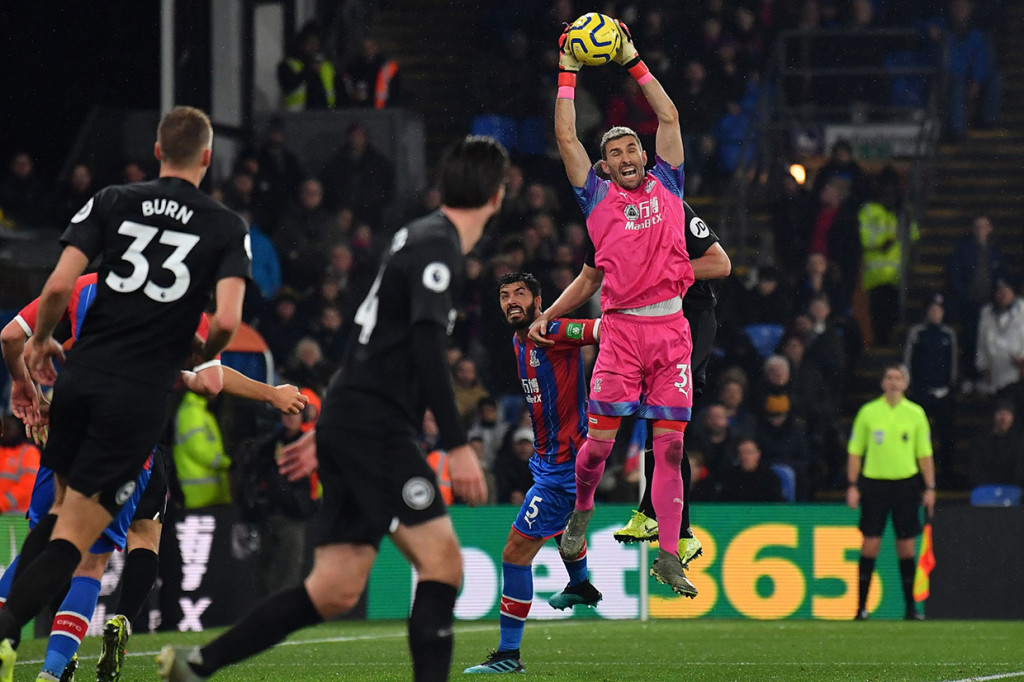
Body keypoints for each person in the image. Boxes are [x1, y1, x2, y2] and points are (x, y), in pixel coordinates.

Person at [156, 135, 507, 682]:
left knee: (335, 588)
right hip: (376, 426)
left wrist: (333, 430)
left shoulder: (418, 235)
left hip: (356, 419)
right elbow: (424, 346)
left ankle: (200, 665)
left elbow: (367, 344)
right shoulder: (438, 246)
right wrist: (459, 446)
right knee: (443, 565)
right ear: (498, 195)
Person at [0, 106, 251, 679]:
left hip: (80, 383)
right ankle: (28, 652)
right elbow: (228, 323)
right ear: (208, 159)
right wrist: (195, 356)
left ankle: (12, 635)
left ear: (158, 152)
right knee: (85, 548)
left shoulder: (113, 199)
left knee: (58, 521)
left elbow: (60, 282)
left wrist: (38, 346)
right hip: (135, 396)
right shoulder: (224, 225)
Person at [528, 19, 697, 596]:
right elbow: (567, 138)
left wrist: (633, 61)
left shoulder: (669, 184)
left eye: (633, 146)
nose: (627, 153)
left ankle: (670, 554)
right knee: (597, 449)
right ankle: (580, 512)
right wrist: (569, 73)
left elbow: (670, 117)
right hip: (622, 336)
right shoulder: (596, 196)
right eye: (616, 149)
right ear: (603, 166)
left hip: (673, 331)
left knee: (670, 449)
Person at [465, 272, 603, 674]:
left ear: (539, 300)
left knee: (514, 553)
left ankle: (509, 655)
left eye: (520, 294)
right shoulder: (517, 340)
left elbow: (602, 330)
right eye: (504, 295)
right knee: (562, 531)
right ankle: (580, 584)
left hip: (563, 467)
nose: (511, 301)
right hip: (546, 462)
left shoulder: (555, 330)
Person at [612, 201, 731, 569]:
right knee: (658, 423)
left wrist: (664, 272)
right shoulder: (613, 214)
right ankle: (664, 520)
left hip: (690, 322)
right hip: (654, 327)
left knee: (667, 423)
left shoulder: (673, 208)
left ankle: (677, 528)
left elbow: (720, 263)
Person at [846, 363, 935, 621]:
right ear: (882, 383)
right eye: (889, 377)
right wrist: (853, 485)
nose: (894, 382)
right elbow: (855, 452)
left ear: (906, 384)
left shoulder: (916, 414)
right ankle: (860, 607)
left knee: (906, 548)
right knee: (870, 544)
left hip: (906, 485)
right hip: (874, 485)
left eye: (898, 378)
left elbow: (924, 455)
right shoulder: (869, 412)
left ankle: (911, 608)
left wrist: (929, 487)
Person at [904, 294, 958, 488]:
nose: (935, 312)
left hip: (943, 393)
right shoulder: (917, 332)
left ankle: (946, 474)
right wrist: (909, 384)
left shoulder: (948, 334)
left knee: (946, 437)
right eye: (932, 309)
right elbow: (907, 360)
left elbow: (953, 363)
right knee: (919, 437)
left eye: (939, 309)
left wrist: (951, 386)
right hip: (921, 393)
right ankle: (917, 476)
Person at [277, 21, 336, 111]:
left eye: (316, 43)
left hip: (325, 118)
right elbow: (288, 86)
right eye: (310, 42)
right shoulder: (289, 65)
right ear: (302, 43)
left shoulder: (327, 66)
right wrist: (308, 70)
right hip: (297, 118)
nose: (314, 47)